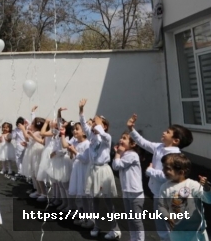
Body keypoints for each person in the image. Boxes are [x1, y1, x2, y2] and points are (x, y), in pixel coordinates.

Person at [128, 113, 193, 241]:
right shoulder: (160, 147)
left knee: (168, 226)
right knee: (161, 226)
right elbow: (143, 143)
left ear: (175, 141)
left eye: (168, 132)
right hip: (158, 193)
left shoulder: (175, 156)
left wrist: (150, 171)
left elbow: (166, 176)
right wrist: (131, 129)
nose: (164, 132)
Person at [79, 98, 120, 240]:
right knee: (94, 200)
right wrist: (81, 110)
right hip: (93, 170)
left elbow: (105, 134)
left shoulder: (106, 138)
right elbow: (84, 125)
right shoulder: (91, 136)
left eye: (98, 123)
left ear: (104, 126)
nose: (94, 125)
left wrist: (99, 124)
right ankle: (97, 225)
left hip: (103, 171)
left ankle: (115, 228)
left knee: (108, 201)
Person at [157, 153, 211, 241]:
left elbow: (208, 199)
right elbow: (161, 205)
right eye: (163, 167)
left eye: (167, 168)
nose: (163, 170)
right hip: (176, 231)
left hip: (196, 231)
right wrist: (167, 216)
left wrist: (206, 188)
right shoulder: (164, 187)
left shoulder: (192, 185)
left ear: (181, 172)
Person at [112, 131, 144, 241]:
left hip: (135, 193)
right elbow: (115, 165)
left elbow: (116, 165)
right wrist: (119, 153)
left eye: (124, 138)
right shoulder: (124, 154)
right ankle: (133, 238)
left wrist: (117, 154)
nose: (121, 140)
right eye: (121, 137)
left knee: (136, 220)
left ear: (133, 144)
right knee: (130, 219)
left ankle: (140, 239)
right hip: (126, 191)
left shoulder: (133, 155)